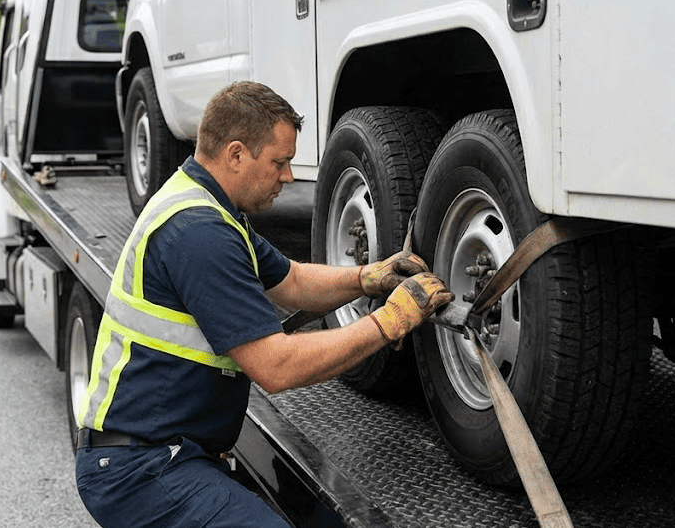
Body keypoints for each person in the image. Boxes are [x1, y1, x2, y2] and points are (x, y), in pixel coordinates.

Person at [75, 81, 453, 528]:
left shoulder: (210, 206)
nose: (289, 177)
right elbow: (276, 367)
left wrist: (367, 279)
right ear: (236, 155)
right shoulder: (200, 233)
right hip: (144, 468)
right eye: (280, 162)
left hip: (165, 454)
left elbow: (290, 279)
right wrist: (390, 322)